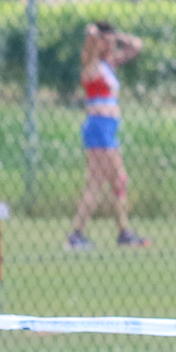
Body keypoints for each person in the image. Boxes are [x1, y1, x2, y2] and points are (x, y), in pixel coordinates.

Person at [67, 23, 146, 251]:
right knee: (102, 183)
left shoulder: (108, 64)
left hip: (108, 128)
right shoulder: (92, 64)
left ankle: (121, 232)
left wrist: (115, 36)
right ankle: (79, 234)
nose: (110, 44)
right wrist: (95, 36)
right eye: (106, 40)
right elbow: (89, 47)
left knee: (115, 181)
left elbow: (136, 46)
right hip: (99, 127)